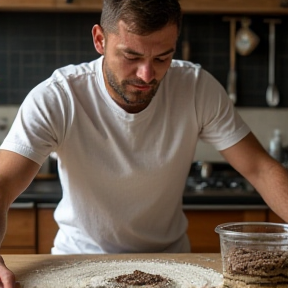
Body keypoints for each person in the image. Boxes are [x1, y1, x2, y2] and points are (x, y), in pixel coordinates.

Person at [1, 0, 288, 286]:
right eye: (131, 56)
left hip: (174, 267)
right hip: (78, 261)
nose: (147, 75)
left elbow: (260, 168)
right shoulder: (58, 97)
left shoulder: (197, 89)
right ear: (100, 40)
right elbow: (4, 182)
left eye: (162, 58)